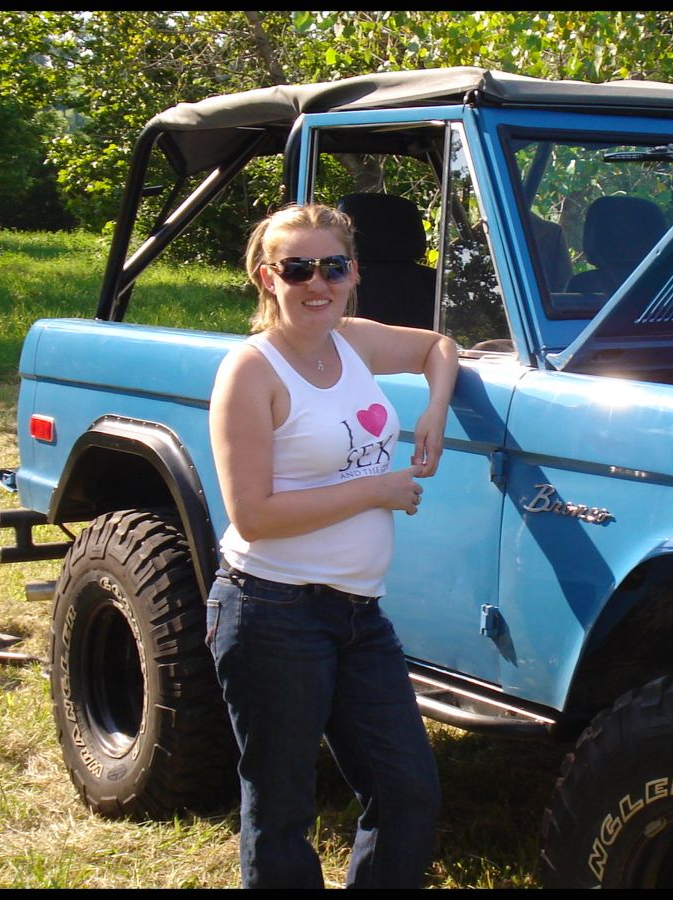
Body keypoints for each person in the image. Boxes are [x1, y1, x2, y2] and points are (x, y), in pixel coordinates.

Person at [205, 202, 459, 889]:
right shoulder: (251, 372)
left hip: (358, 615)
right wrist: (378, 489)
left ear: (352, 274)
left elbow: (439, 347)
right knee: (282, 807)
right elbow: (253, 515)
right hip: (270, 611)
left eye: (333, 267)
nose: (316, 283)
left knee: (407, 791)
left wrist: (435, 408)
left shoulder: (352, 343)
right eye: (297, 268)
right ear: (267, 277)